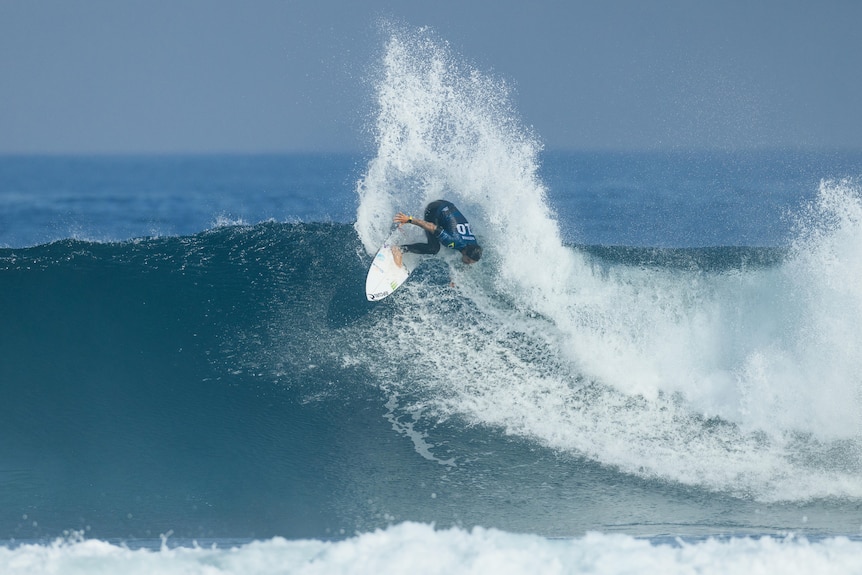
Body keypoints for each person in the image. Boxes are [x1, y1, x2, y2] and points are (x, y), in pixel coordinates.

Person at [392, 200, 482, 266]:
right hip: (434, 209)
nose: (469, 263)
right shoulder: (453, 240)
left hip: (448, 206)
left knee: (439, 235)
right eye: (468, 260)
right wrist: (409, 219)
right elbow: (431, 227)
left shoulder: (473, 245)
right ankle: (399, 249)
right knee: (434, 248)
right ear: (465, 251)